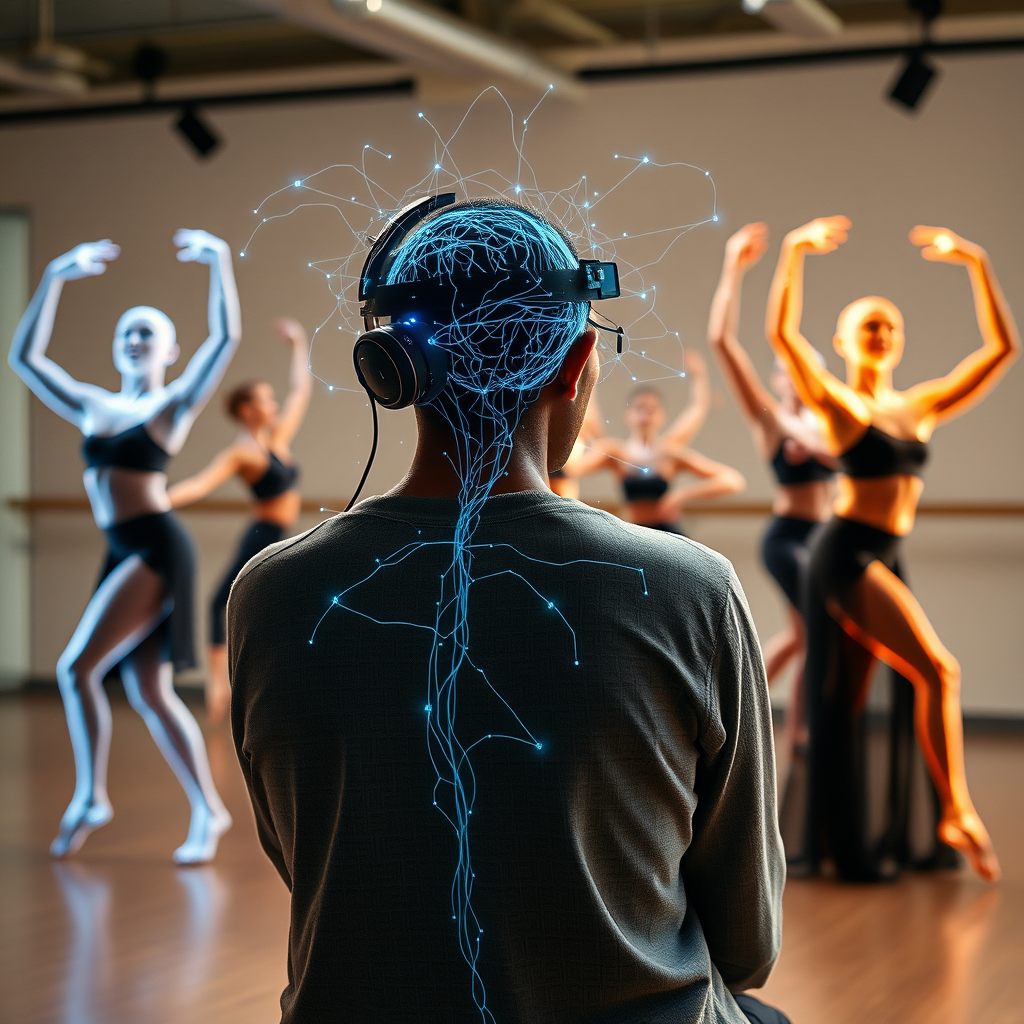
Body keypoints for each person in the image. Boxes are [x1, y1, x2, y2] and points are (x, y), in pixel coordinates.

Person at [229, 200, 788, 1023]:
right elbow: (749, 946)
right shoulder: (691, 587)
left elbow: (305, 858)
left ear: (393, 369)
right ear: (578, 361)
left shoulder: (269, 592)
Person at [766, 215, 1016, 883]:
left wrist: (976, 262)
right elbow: (781, 337)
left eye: (891, 326)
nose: (882, 334)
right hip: (845, 552)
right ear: (846, 340)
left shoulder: (921, 405)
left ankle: (836, 840)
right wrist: (793, 253)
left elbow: (1001, 350)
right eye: (869, 325)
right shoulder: (843, 406)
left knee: (845, 701)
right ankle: (957, 809)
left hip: (883, 550)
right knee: (939, 670)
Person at [8, 230, 239, 864]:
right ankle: (209, 811)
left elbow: (224, 341)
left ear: (169, 350)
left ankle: (90, 796)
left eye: (147, 333)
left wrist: (218, 262)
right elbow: (25, 360)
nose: (135, 340)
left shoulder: (170, 407)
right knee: (148, 691)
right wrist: (54, 274)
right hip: (121, 548)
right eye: (126, 333)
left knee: (74, 668)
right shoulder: (93, 406)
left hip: (156, 546)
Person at [707, 222, 836, 764]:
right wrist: (734, 266)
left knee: (809, 636)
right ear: (780, 380)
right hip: (787, 538)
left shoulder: (833, 421)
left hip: (826, 536)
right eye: (787, 371)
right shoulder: (772, 421)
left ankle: (784, 729)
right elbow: (723, 343)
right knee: (811, 632)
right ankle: (769, 726)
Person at [168, 317, 312, 725]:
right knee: (224, 600)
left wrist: (298, 344)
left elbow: (301, 391)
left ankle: (267, 682)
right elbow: (199, 485)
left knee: (267, 603)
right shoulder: (242, 453)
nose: (275, 404)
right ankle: (219, 683)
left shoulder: (278, 439)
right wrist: (157, 499)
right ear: (248, 410)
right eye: (266, 399)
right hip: (262, 534)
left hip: (280, 535)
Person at [577, 350, 746, 532]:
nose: (645, 415)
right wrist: (589, 377)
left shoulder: (669, 452)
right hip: (632, 532)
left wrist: (682, 495)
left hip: (667, 533)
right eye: (639, 408)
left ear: (662, 416)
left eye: (651, 409)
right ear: (628, 415)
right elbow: (572, 466)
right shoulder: (615, 452)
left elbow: (732, 480)